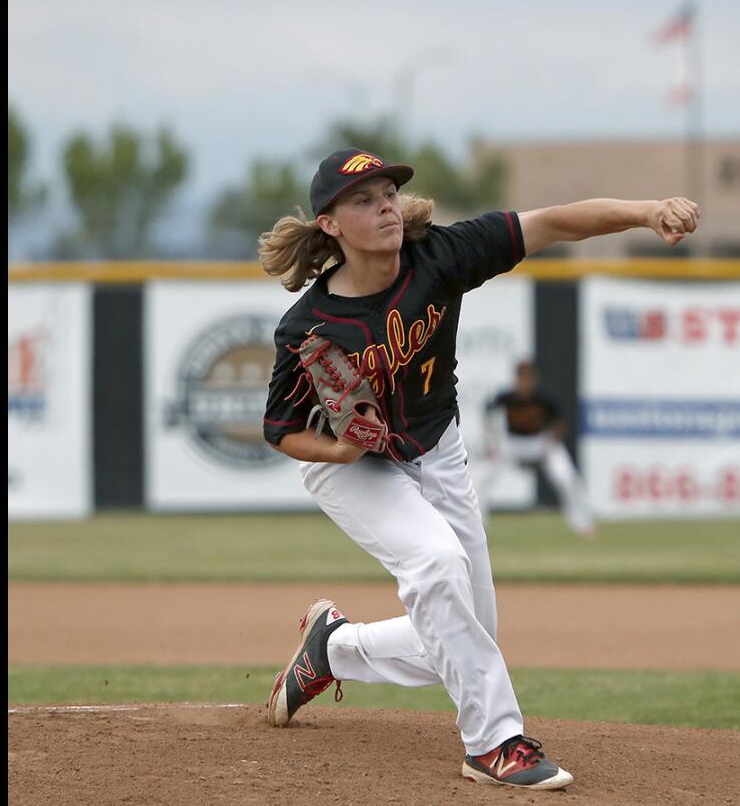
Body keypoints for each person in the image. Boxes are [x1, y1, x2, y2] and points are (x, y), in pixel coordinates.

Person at [256, 146, 699, 791]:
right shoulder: (308, 325)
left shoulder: (441, 255)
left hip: (436, 448)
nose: (383, 206)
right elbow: (282, 431)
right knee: (437, 567)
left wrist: (646, 210)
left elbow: (553, 222)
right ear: (329, 224)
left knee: (468, 635)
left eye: (386, 193)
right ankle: (495, 744)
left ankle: (333, 647)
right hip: (354, 467)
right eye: (362, 200)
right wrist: (344, 450)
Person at [478, 359, 598, 538]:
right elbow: (487, 412)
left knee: (566, 477)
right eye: (521, 378)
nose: (524, 382)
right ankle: (478, 526)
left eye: (528, 378)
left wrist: (554, 437)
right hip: (513, 443)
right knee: (481, 478)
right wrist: (491, 443)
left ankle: (582, 523)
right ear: (516, 379)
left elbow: (560, 422)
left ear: (534, 379)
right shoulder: (507, 397)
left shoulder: (543, 398)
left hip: (540, 442)